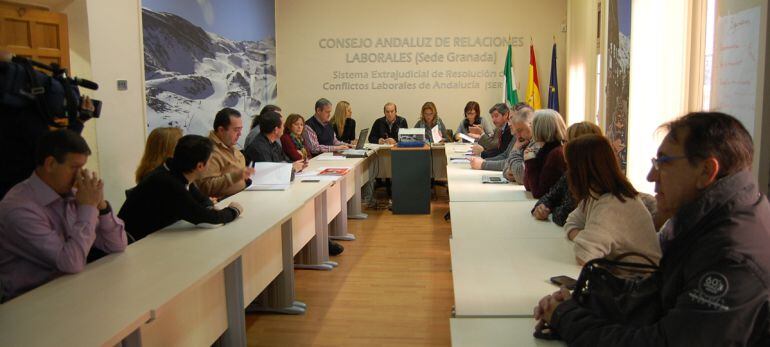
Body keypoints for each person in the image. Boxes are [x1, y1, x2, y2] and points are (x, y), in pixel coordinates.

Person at [535, 112, 770, 346]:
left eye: (663, 163)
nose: (650, 176)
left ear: (707, 171)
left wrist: (566, 316)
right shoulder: (705, 222)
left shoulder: (731, 254)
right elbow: (657, 297)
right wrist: (584, 302)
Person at [0, 130, 127, 301]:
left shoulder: (71, 193)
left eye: (83, 167)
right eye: (74, 168)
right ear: (50, 164)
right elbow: (70, 262)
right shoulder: (19, 208)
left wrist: (101, 206)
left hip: (69, 290)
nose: (80, 176)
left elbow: (116, 245)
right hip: (29, 303)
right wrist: (88, 207)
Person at [119, 135, 243, 242]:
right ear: (200, 166)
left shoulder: (176, 169)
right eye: (210, 161)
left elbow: (201, 199)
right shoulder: (168, 184)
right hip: (134, 245)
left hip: (156, 237)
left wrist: (210, 207)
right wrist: (233, 211)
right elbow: (206, 219)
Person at [561, 135, 661, 265]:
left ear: (581, 170)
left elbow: (584, 256)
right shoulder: (596, 194)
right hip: (623, 277)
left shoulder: (614, 204)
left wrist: (584, 239)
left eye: (570, 166)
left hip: (637, 280)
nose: (567, 172)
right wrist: (584, 238)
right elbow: (571, 222)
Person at [531, 122, 603, 226]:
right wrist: (542, 207)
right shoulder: (571, 173)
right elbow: (549, 196)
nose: (562, 147)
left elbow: (564, 216)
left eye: (565, 142)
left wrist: (551, 210)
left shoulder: (594, 181)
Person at [196, 107, 254, 199]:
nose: (240, 134)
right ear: (221, 130)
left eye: (240, 129)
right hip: (224, 202)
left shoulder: (230, 145)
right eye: (236, 130)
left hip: (242, 195)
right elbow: (206, 187)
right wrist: (236, 176)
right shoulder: (209, 151)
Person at [470, 103, 533, 171]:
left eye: (512, 118)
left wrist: (483, 164)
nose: (509, 123)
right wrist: (484, 161)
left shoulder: (531, 141)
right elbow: (505, 155)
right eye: (509, 119)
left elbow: (514, 166)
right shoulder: (516, 136)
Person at [523, 109, 567, 198]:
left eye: (532, 125)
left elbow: (538, 192)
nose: (530, 128)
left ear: (539, 128)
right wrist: (530, 160)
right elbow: (528, 186)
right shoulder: (544, 149)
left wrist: (530, 162)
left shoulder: (556, 154)